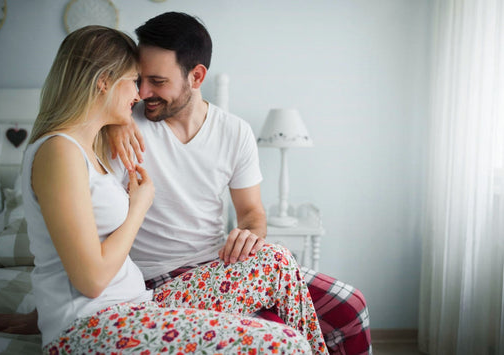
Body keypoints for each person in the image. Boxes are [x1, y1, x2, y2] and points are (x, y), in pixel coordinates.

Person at [0, 24, 323, 354]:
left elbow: (70, 253)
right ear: (103, 82)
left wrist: (119, 122)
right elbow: (90, 280)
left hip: (132, 306)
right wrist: (139, 207)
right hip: (94, 325)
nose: (140, 94)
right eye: (133, 81)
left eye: (149, 82)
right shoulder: (59, 151)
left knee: (276, 259)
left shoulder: (80, 148)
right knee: (287, 343)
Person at [108, 12, 372, 355]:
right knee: (275, 330)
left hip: (219, 267)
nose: (143, 92)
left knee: (351, 306)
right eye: (140, 80)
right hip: (155, 280)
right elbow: (89, 225)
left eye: (157, 81)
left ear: (197, 76)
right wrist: (115, 119)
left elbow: (251, 213)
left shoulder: (235, 132)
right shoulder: (123, 127)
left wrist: (249, 234)